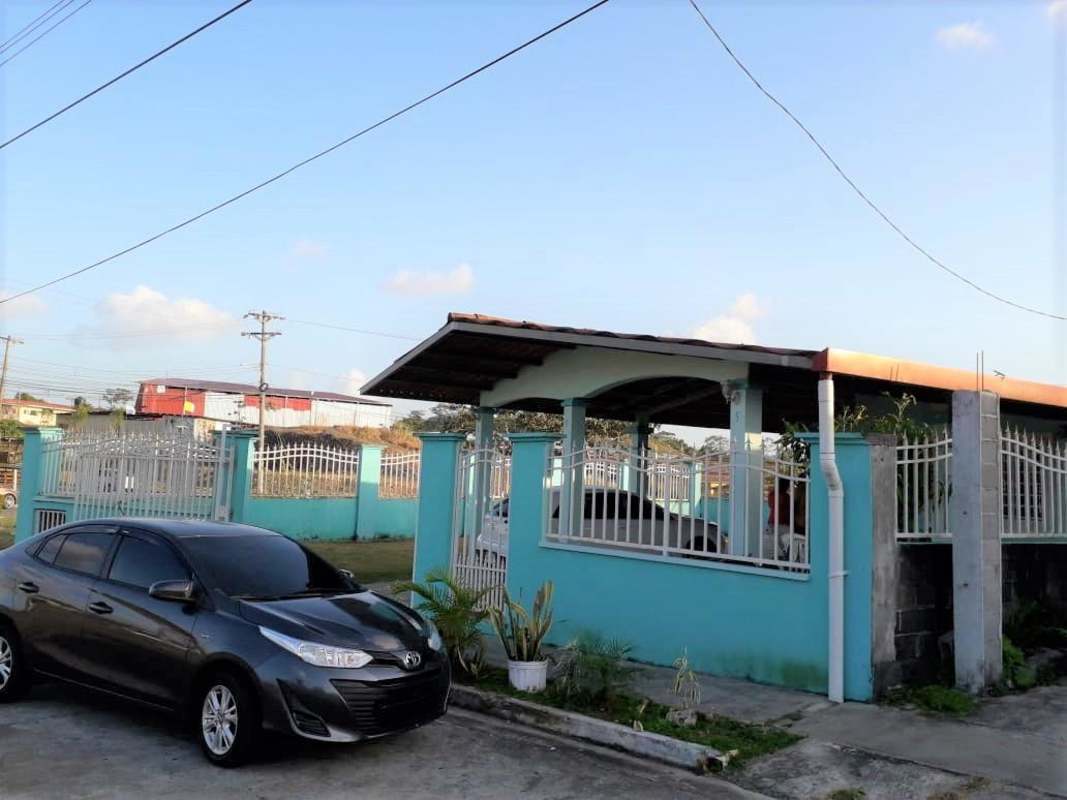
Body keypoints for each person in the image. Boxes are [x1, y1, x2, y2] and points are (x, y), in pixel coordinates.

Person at [764, 477, 806, 561]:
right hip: (784, 523)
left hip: (774, 522)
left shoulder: (773, 494)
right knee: (787, 543)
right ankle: (786, 557)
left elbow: (772, 504)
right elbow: (790, 507)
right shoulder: (785, 496)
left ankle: (782, 556)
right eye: (788, 485)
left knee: (779, 543)